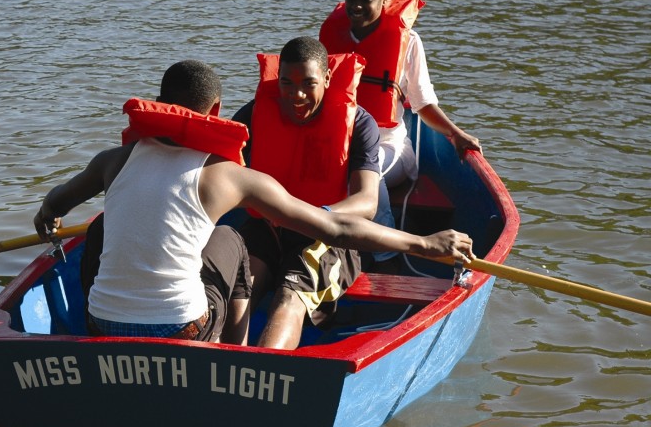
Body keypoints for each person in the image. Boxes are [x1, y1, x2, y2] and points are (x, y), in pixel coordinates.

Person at [33, 59, 473, 348]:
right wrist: (425, 244)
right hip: (183, 330)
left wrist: (47, 217)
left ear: (161, 105)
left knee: (101, 227)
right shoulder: (230, 176)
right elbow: (337, 230)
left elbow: (55, 203)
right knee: (231, 238)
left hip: (100, 326)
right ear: (218, 110)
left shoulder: (113, 161)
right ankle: (237, 355)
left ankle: (91, 343)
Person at [231, 36, 394, 349]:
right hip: (269, 227)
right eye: (287, 84)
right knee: (240, 289)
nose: (297, 95)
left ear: (328, 78)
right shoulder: (255, 114)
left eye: (308, 83)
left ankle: (262, 375)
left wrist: (316, 216)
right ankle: (210, 362)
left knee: (288, 296)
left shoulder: (360, 124)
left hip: (328, 235)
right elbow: (219, 172)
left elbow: (367, 203)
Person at [319, 0, 482, 187]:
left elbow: (423, 104)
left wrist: (456, 134)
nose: (356, 6)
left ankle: (381, 221)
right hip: (338, 141)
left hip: (387, 146)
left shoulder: (410, 41)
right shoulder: (332, 35)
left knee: (359, 173)